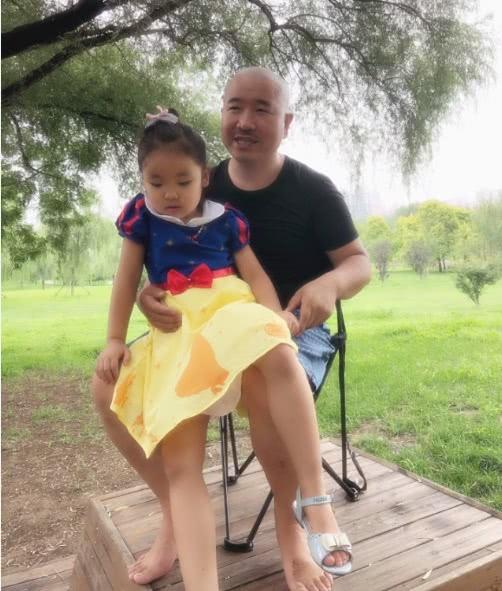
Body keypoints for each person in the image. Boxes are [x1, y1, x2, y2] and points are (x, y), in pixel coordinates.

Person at [92, 104, 358, 591]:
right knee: (181, 461)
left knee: (278, 352)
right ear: (141, 180)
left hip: (230, 313)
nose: (170, 193)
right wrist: (114, 337)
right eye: (155, 182)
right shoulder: (142, 219)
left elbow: (253, 274)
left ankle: (315, 501)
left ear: (204, 178)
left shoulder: (227, 219)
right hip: (179, 333)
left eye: (182, 181)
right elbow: (125, 281)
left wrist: (275, 317)